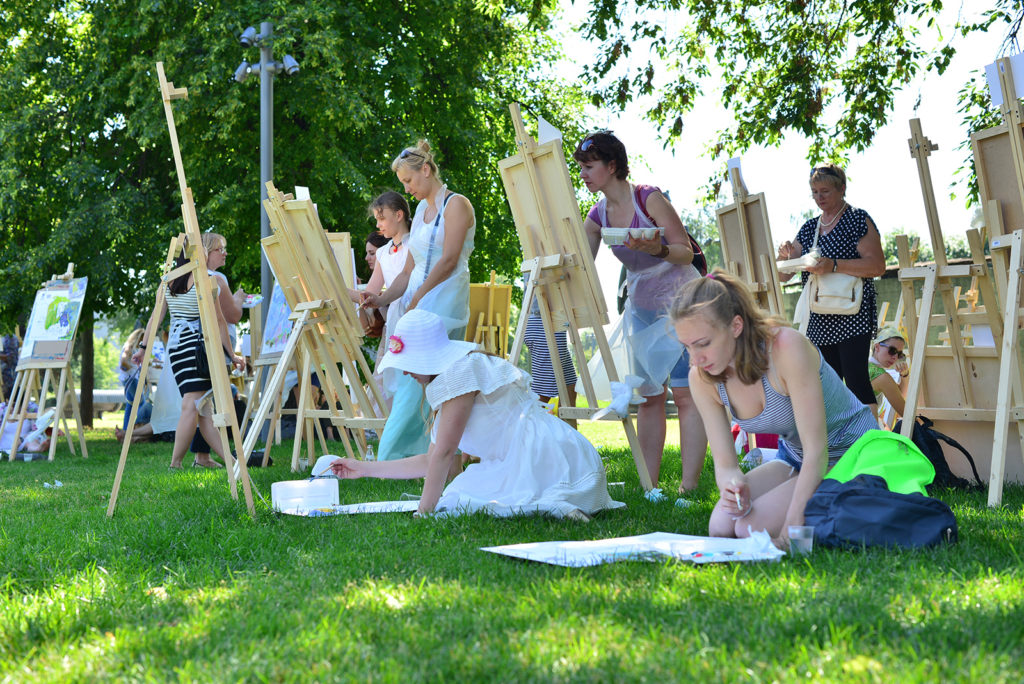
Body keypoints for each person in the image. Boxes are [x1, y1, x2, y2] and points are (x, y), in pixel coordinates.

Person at [329, 309, 624, 519]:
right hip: (541, 455)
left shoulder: (460, 374)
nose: (405, 372)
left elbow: (444, 455)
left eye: (408, 362)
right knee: (461, 493)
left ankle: (555, 504)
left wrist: (424, 512)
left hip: (548, 457)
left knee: (460, 499)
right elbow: (432, 461)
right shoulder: (454, 378)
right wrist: (363, 468)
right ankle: (554, 505)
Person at [670, 271, 877, 547]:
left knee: (749, 529)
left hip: (853, 453)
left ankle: (830, 513)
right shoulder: (702, 378)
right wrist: (733, 485)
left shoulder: (786, 347)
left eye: (703, 344)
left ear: (735, 326)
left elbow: (817, 450)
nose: (695, 359)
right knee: (720, 526)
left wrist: (793, 531)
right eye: (687, 347)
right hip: (795, 458)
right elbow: (725, 465)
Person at [574, 130, 706, 495]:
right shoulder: (597, 215)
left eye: (589, 166)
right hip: (642, 309)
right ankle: (651, 487)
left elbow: (685, 252)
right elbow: (581, 263)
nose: (583, 174)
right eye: (580, 167)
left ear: (612, 166)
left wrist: (656, 249)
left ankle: (689, 488)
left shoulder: (648, 198)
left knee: (686, 395)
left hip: (682, 304)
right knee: (649, 397)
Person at [360, 140, 475, 461]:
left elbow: (449, 260)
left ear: (426, 170)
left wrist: (419, 297)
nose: (407, 189)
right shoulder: (423, 210)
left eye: (408, 181)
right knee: (415, 381)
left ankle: (398, 456)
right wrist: (381, 298)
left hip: (446, 304)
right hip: (419, 304)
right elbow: (408, 271)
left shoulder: (457, 205)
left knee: (425, 379)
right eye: (403, 183)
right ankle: (422, 455)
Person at [776, 163, 886, 413]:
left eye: (825, 191)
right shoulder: (809, 227)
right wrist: (784, 255)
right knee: (828, 385)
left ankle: (870, 434)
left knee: (856, 381)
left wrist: (834, 265)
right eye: (814, 192)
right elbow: (783, 275)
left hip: (852, 315)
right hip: (819, 317)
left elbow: (877, 265)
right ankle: (838, 434)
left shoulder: (857, 219)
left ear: (842, 188)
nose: (819, 197)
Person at [133, 239, 245, 469]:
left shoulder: (168, 281)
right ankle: (175, 464)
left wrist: (143, 348)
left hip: (176, 350)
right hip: (195, 348)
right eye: (204, 251)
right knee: (192, 406)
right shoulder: (206, 280)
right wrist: (232, 354)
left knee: (204, 412)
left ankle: (234, 464)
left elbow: (155, 318)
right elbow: (220, 321)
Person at [190, 232, 247, 464]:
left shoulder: (192, 277)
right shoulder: (217, 278)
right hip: (218, 345)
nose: (224, 253)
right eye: (219, 249)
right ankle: (224, 457)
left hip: (199, 345)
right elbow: (232, 316)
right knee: (213, 403)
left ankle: (202, 455)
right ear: (206, 252)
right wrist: (239, 298)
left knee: (206, 401)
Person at [115, 328, 154, 444]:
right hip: (130, 379)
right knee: (141, 403)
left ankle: (125, 430)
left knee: (130, 405)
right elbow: (123, 362)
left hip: (127, 379)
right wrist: (131, 366)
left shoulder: (132, 347)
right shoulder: (129, 347)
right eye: (142, 339)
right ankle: (137, 429)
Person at [868, 325, 910, 424]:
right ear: (877, 347)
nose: (895, 357)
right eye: (892, 351)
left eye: (899, 354)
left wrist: (904, 374)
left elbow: (898, 395)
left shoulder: (863, 366)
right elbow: (906, 414)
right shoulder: (880, 376)